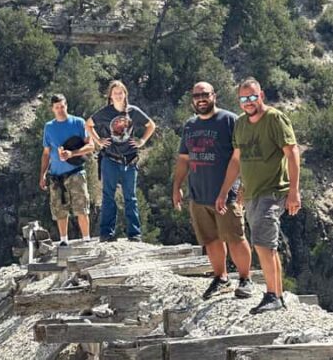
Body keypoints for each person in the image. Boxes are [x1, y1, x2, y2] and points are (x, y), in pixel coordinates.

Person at [215, 77, 301, 314]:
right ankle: (277, 294)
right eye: (244, 98)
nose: (249, 102)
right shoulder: (241, 123)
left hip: (272, 191)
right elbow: (237, 160)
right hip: (252, 193)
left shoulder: (274, 118)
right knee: (266, 245)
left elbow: (292, 152)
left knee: (264, 244)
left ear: (261, 95)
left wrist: (294, 191)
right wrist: (227, 190)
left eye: (253, 97)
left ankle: (273, 295)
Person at [173, 82, 254, 300]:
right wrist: (177, 186)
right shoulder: (190, 125)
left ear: (214, 96)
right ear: (192, 99)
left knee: (235, 237)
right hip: (199, 194)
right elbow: (184, 159)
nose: (201, 98)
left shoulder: (229, 120)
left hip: (225, 194)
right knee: (210, 240)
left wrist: (243, 186)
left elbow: (241, 156)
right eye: (197, 95)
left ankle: (246, 279)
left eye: (205, 94)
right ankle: (221, 278)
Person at [87, 80, 156, 242]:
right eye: (115, 93)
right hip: (110, 159)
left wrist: (142, 141)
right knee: (108, 196)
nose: (118, 95)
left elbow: (151, 125)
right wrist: (98, 141)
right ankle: (107, 233)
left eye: (121, 92)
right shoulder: (105, 112)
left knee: (130, 197)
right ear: (110, 96)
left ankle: (134, 234)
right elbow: (88, 124)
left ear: (125, 94)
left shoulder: (133, 112)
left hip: (130, 160)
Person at [40, 94, 95, 246]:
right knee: (59, 210)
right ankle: (64, 241)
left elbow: (91, 146)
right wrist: (43, 174)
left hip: (76, 172)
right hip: (56, 176)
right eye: (57, 107)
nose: (60, 110)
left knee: (82, 208)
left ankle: (86, 240)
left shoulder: (78, 123)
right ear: (52, 109)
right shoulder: (49, 127)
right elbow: (46, 153)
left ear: (66, 105)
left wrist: (73, 153)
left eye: (62, 106)